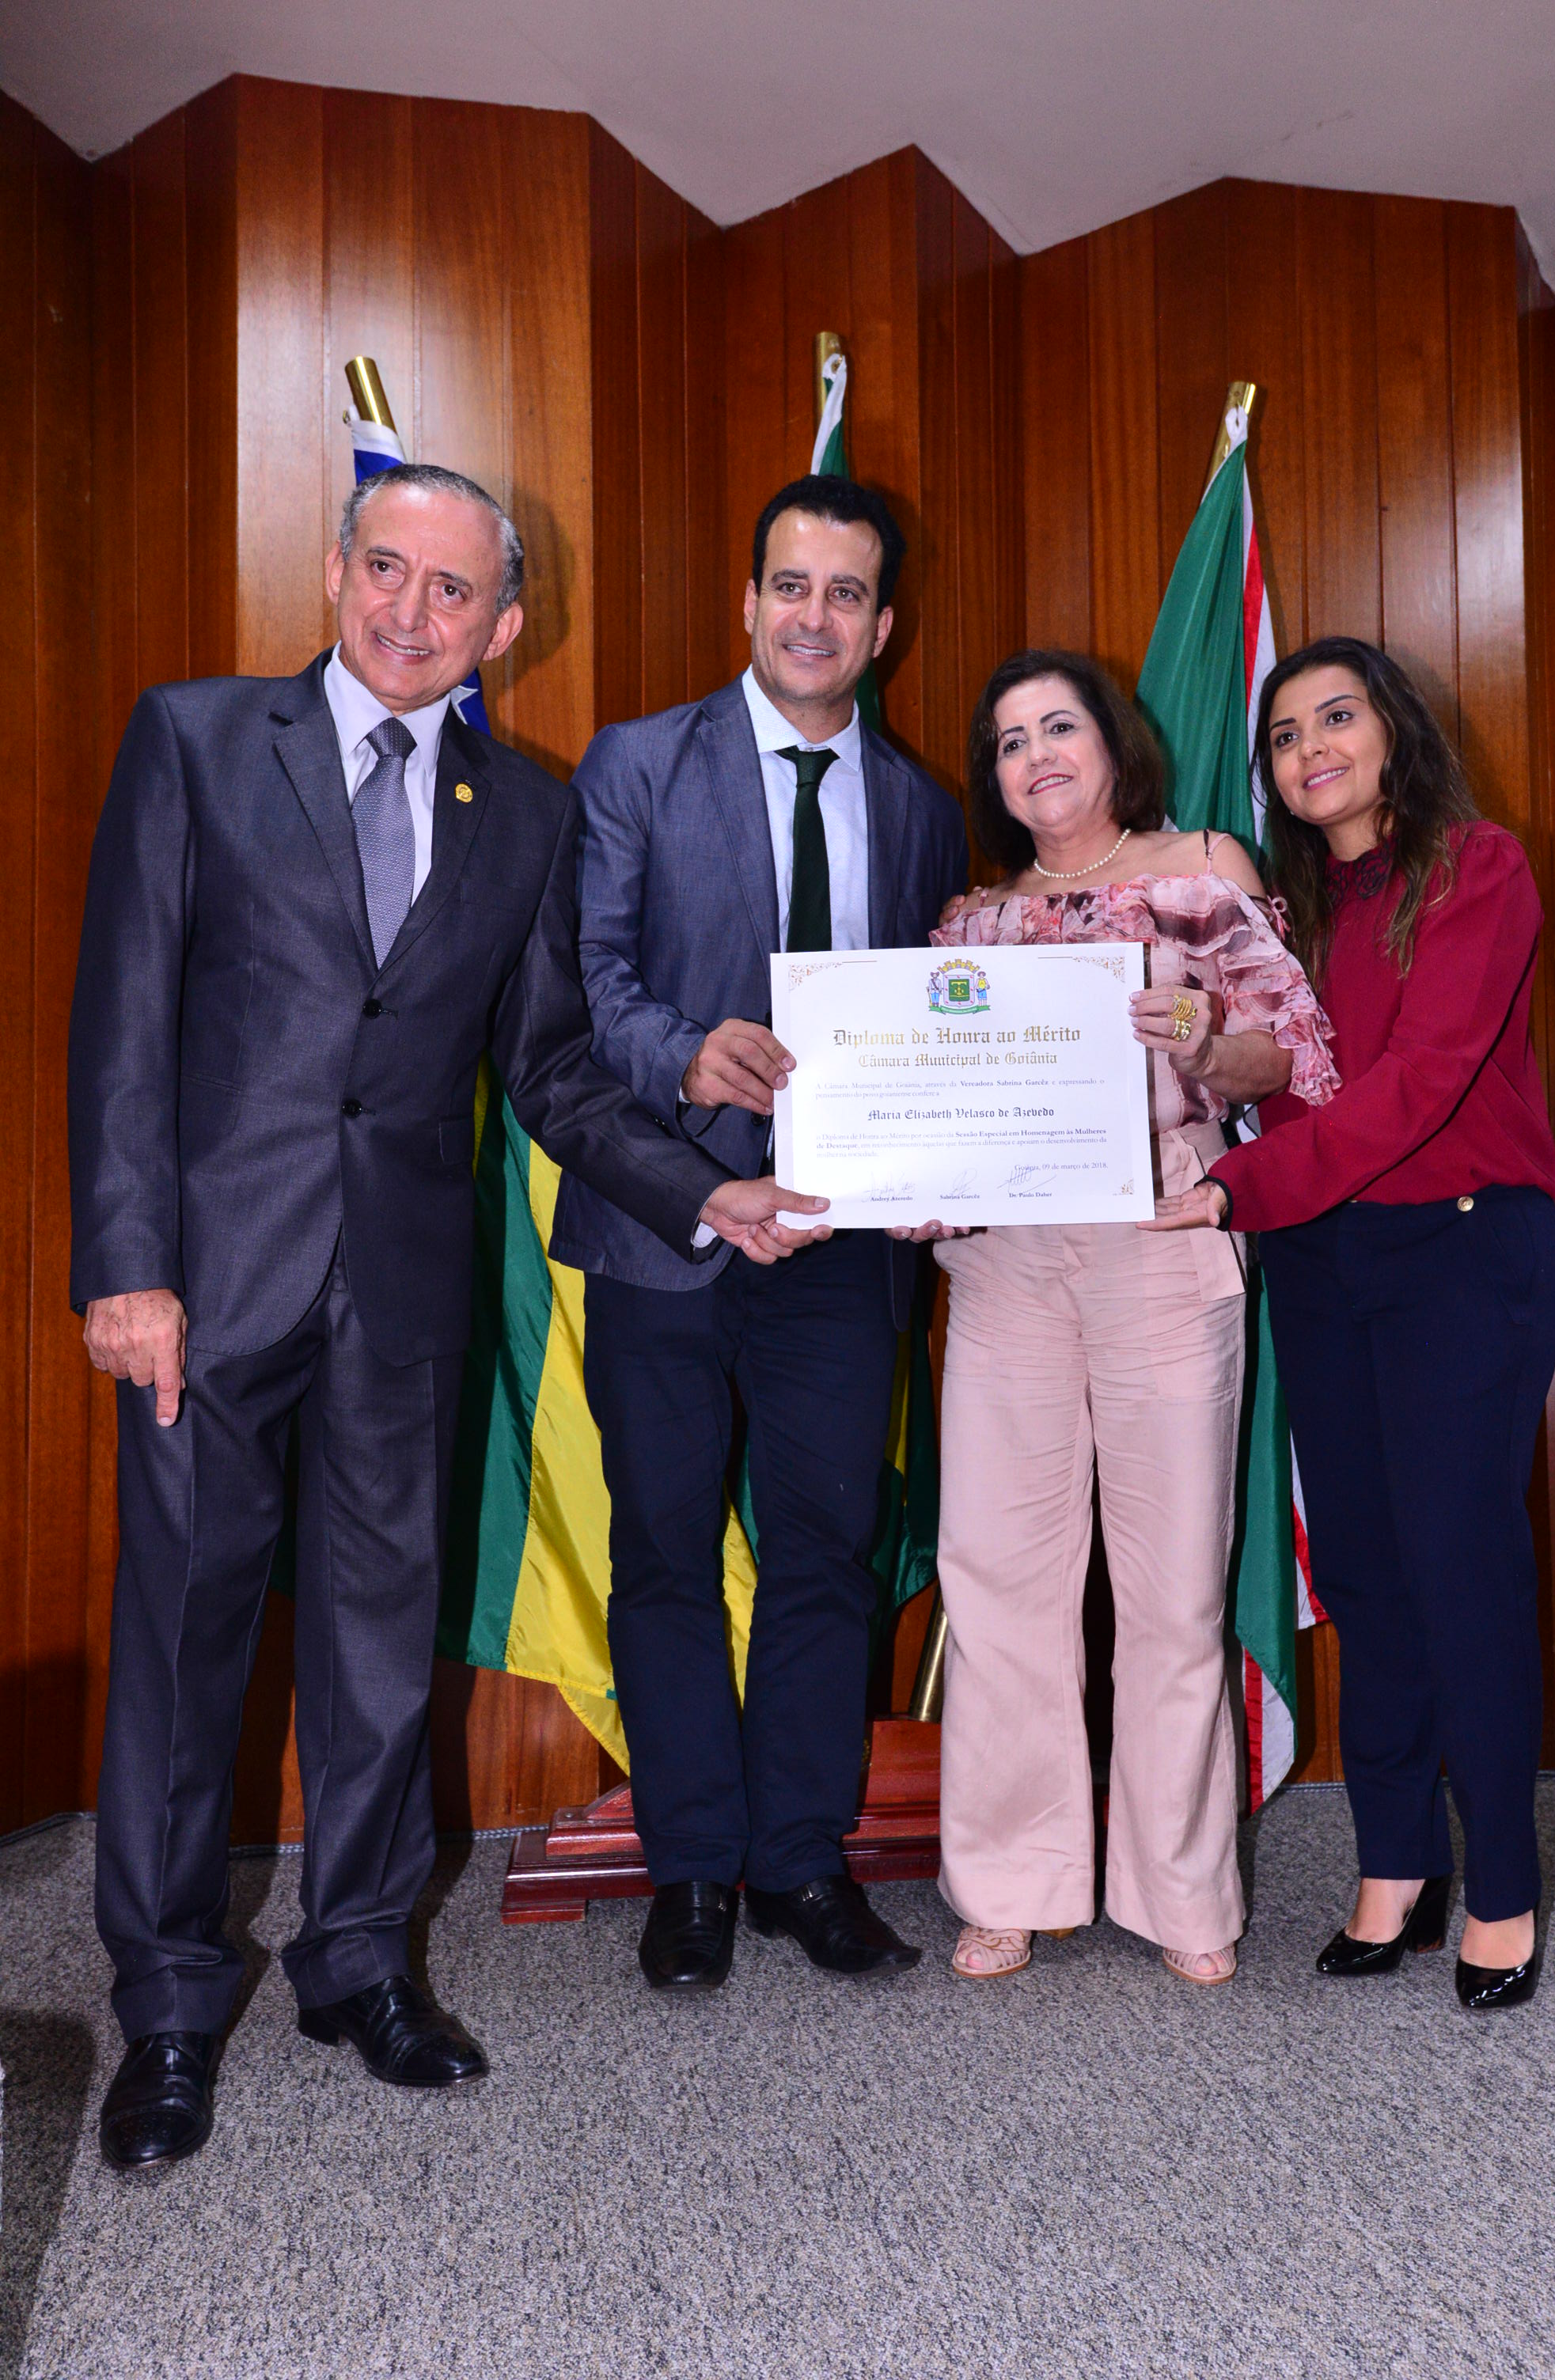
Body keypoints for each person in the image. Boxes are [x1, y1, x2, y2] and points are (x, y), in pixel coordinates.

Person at [70, 463, 828, 2176]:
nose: (410, 612)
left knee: (375, 1645)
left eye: (452, 590)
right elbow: (120, 1019)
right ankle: (170, 2005)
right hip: (206, 1283)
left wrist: (698, 1192)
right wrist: (125, 1268)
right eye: (386, 571)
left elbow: (551, 1067)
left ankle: (357, 1962)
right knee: (185, 1642)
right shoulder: (196, 737)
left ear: (504, 624)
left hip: (403, 1300)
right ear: (337, 570)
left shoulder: (525, 807)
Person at [556, 474, 968, 1990]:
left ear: (882, 625)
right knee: (663, 1556)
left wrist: (937, 1156)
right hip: (665, 1228)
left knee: (823, 1556)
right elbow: (588, 981)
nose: (814, 616)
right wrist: (686, 1057)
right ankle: (691, 1872)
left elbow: (929, 1027)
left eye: (846, 593)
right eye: (791, 585)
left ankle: (799, 1860)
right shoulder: (636, 762)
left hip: (845, 1254)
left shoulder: (923, 806)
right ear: (748, 602)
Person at [1148, 637, 1555, 2012]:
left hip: (1463, 1247)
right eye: (1284, 734)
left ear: (1394, 732)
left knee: (1458, 1567)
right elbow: (1254, 1070)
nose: (1310, 747)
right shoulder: (1277, 919)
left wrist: (1239, 1187)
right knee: (1369, 1572)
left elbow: (1416, 1086)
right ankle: (1396, 1861)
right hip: (1325, 1254)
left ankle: (1501, 1885)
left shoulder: (1477, 868)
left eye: (1337, 717)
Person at [931, 650, 1337, 1986]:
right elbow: (925, 1102)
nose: (1036, 755)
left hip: (1163, 1234)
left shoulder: (1201, 870)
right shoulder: (970, 925)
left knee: (1171, 1587)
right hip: (1008, 1259)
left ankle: (1183, 1893)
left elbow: (1294, 1052)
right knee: (999, 1573)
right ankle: (1010, 1880)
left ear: (1113, 743)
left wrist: (1205, 1045)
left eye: (1059, 726)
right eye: (1008, 741)